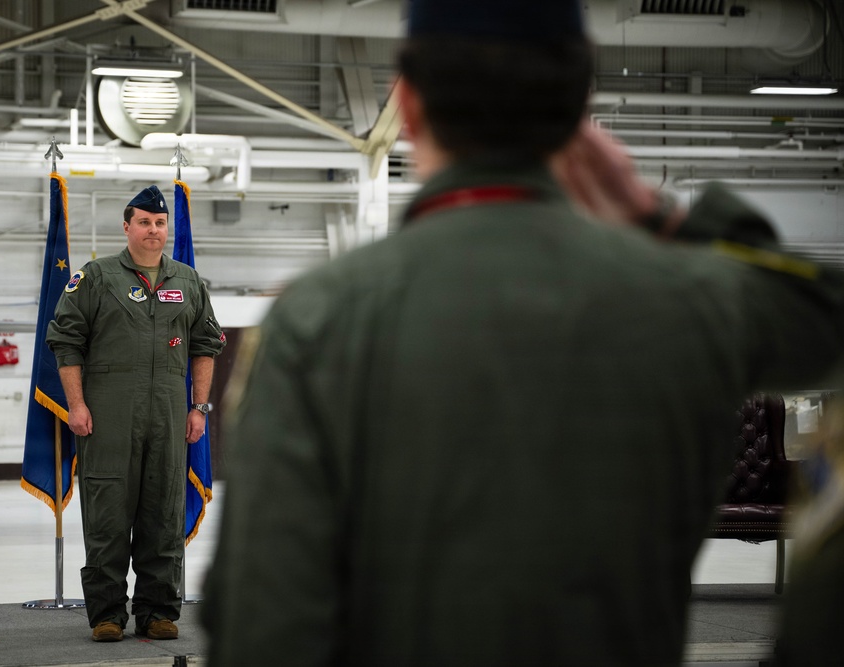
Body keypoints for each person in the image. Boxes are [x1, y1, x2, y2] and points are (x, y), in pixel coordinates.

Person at [203, 1, 844, 665]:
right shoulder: (689, 298)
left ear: (411, 106)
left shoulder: (319, 319)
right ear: (578, 109)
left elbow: (264, 623)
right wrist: (664, 220)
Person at [47, 185, 226, 643]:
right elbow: (65, 340)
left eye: (160, 222)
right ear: (126, 227)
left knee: (163, 517)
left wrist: (199, 407)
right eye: (144, 222)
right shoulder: (96, 277)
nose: (153, 230)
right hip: (108, 418)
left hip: (168, 417)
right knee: (107, 517)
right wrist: (77, 404)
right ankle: (107, 614)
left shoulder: (187, 281)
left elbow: (206, 345)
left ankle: (158, 612)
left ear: (168, 228)